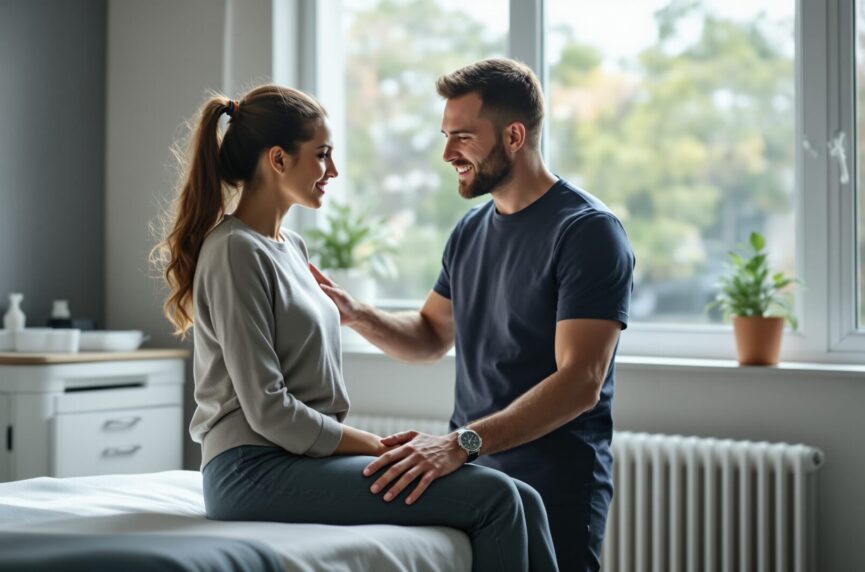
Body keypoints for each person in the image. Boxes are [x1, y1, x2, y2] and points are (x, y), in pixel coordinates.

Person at [151, 84, 559, 572]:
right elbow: (268, 410)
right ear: (278, 160)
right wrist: (379, 445)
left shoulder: (291, 249)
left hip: (297, 460)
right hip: (250, 470)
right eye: (321, 156)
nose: (332, 171)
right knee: (492, 497)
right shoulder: (235, 251)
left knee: (524, 497)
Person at [311, 59, 635, 572]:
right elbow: (430, 334)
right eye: (445, 136)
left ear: (513, 135)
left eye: (462, 136)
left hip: (554, 488)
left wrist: (462, 444)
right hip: (472, 482)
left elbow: (581, 381)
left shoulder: (588, 232)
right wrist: (357, 314)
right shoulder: (469, 230)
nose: (446, 153)